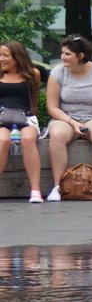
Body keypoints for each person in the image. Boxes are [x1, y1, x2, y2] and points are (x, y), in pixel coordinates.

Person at [45, 34, 92, 202]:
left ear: (80, 56)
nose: (62, 57)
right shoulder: (57, 72)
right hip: (66, 118)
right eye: (62, 53)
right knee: (56, 135)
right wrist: (72, 122)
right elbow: (52, 107)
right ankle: (58, 187)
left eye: (67, 54)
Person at [0, 40, 44, 203]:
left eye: (5, 55)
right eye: (0, 55)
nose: (1, 59)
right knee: (2, 141)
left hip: (25, 116)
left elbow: (33, 99)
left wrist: (31, 115)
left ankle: (35, 191)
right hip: (1, 118)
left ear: (17, 57)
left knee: (28, 139)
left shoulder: (33, 74)